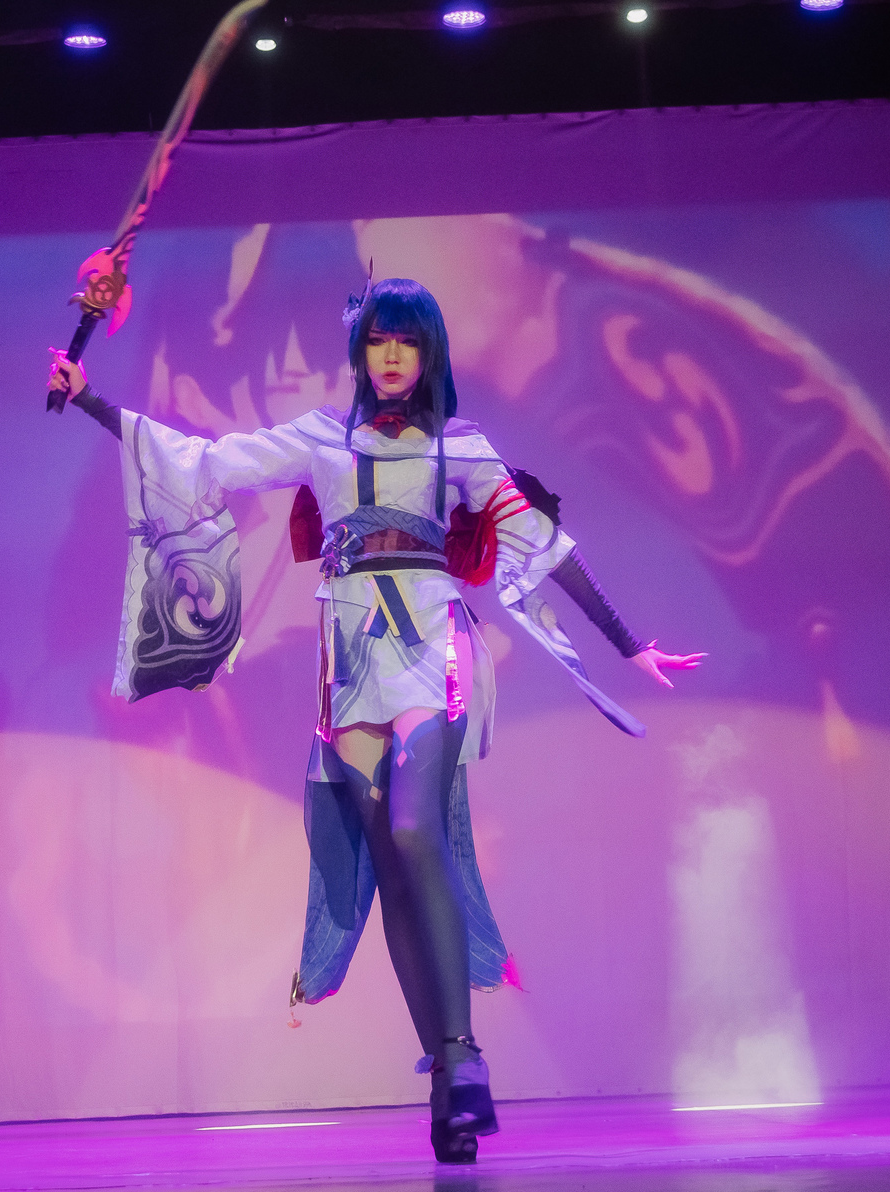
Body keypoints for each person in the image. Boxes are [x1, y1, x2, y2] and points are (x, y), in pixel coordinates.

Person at [49, 278, 701, 1163]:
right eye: (379, 341)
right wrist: (91, 400)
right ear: (361, 351)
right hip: (350, 661)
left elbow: (545, 549)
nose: (392, 357)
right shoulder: (322, 438)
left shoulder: (461, 447)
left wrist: (630, 645)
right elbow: (204, 463)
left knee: (415, 829)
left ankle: (464, 1056)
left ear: (429, 354)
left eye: (408, 342)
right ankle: (444, 1081)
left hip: (432, 648)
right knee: (389, 867)